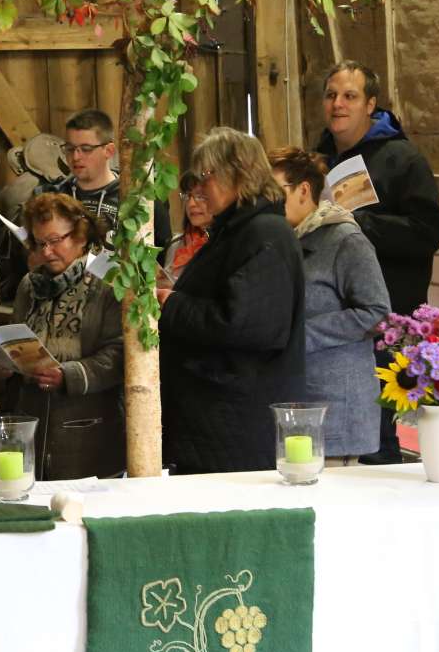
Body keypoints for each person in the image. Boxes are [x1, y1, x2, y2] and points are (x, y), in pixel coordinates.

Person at [314, 63, 439, 463]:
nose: (338, 104)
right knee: (337, 430)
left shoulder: (402, 159)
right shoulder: (318, 158)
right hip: (334, 316)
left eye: (350, 96)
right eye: (331, 95)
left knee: (375, 435)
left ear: (371, 104)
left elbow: (428, 231)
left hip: (386, 316)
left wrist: (362, 222)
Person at [157, 127, 304, 473]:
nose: (199, 188)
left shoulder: (265, 234)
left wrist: (171, 305)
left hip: (237, 426)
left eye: (205, 176)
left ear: (238, 173)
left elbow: (248, 325)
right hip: (212, 422)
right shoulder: (234, 232)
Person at [268, 146, 391, 461]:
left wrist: (300, 334)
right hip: (295, 398)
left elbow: (377, 313)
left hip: (337, 404)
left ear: (304, 190)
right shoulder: (283, 240)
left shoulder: (345, 240)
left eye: (273, 192)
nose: (266, 202)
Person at [0, 194, 125, 479]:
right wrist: (4, 364)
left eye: (55, 241)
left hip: (88, 432)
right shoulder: (30, 285)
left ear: (80, 236)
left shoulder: (108, 281)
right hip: (32, 426)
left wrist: (69, 375)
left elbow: (118, 354)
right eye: (40, 243)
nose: (47, 252)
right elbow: (15, 339)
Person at [36, 108, 171, 250]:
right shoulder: (52, 195)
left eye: (86, 148)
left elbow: (162, 256)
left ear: (109, 151)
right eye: (70, 148)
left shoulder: (139, 198)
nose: (75, 157)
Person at [160, 170, 211, 283]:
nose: (191, 204)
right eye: (187, 196)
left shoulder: (224, 242)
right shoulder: (176, 243)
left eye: (200, 196)